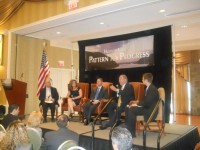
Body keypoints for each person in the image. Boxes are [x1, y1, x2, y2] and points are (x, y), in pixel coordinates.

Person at [125, 73, 159, 137]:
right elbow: (145, 101)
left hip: (150, 111)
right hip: (147, 108)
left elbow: (146, 102)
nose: (142, 80)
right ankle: (128, 128)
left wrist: (136, 105)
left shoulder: (152, 89)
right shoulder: (149, 88)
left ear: (146, 80)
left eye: (142, 79)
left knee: (132, 109)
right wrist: (136, 104)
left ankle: (131, 133)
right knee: (128, 107)